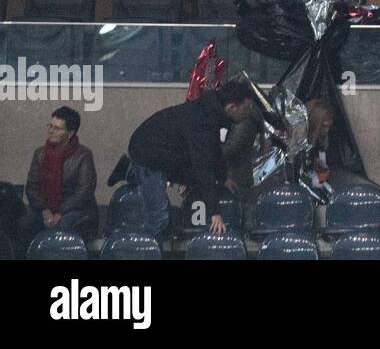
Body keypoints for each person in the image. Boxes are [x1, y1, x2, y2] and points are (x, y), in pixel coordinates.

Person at [126, 79, 257, 240]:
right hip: (148, 153)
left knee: (193, 182)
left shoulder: (215, 114)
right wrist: (214, 213)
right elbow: (203, 166)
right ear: (232, 107)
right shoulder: (203, 122)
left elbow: (214, 151)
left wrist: (223, 178)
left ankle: (131, 171)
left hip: (169, 152)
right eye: (247, 108)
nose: (249, 112)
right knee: (158, 217)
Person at [18, 107, 98, 250]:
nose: (51, 131)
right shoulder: (40, 154)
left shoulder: (84, 155)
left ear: (70, 133)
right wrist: (45, 210)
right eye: (50, 126)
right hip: (45, 207)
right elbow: (31, 187)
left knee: (60, 229)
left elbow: (84, 191)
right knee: (24, 225)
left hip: (75, 209)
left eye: (57, 128)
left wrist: (60, 212)